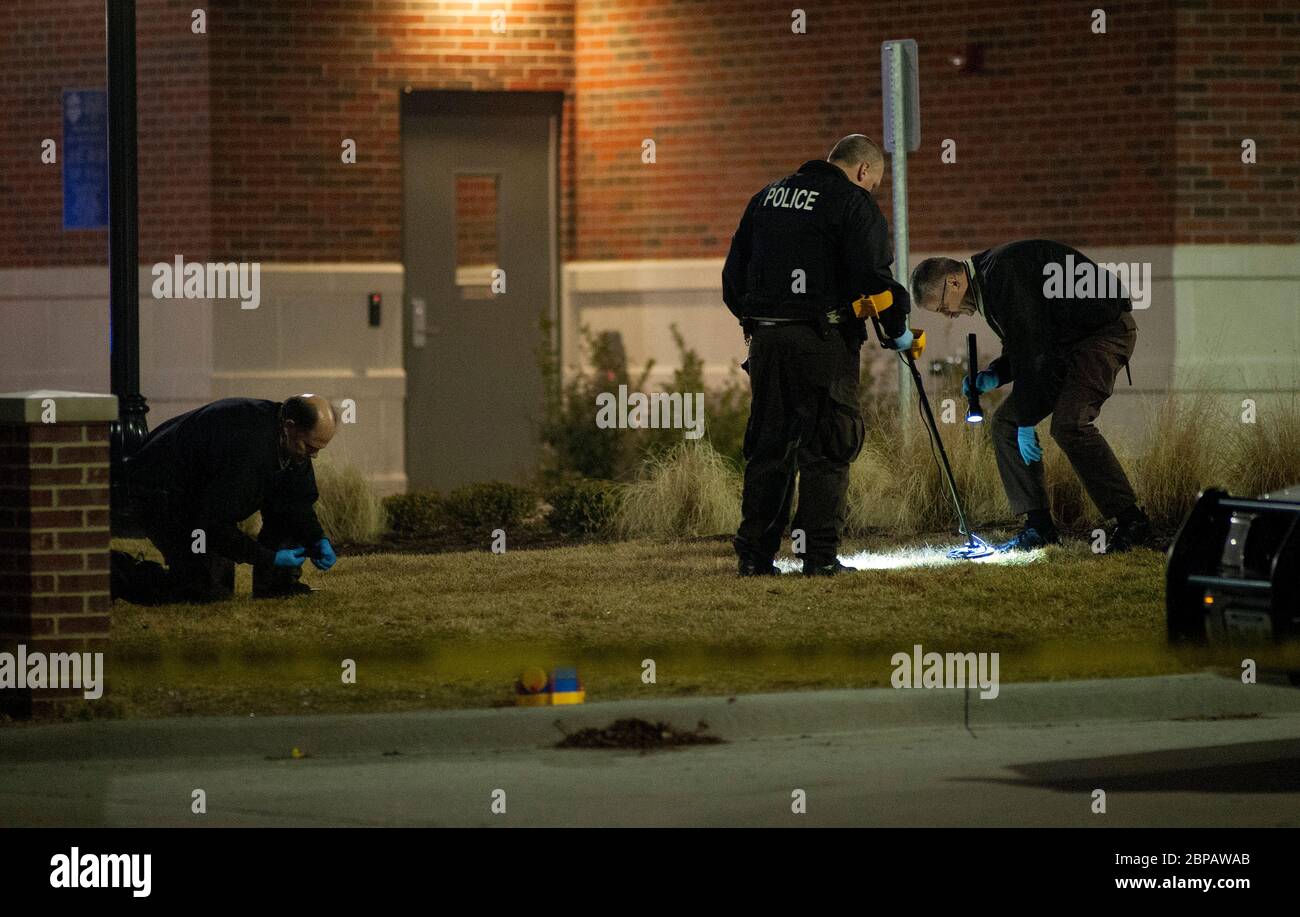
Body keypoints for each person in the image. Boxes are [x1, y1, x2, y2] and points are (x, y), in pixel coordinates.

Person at [723, 134, 913, 577]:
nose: (871, 191)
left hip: (767, 342)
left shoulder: (765, 198)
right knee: (828, 445)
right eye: (874, 183)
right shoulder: (853, 203)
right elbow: (873, 280)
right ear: (864, 171)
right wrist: (898, 332)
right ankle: (819, 557)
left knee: (770, 447)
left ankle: (755, 557)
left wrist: (755, 321)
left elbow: (733, 278)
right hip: (823, 341)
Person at [910, 240, 1152, 552]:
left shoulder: (1002, 274)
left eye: (943, 306)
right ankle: (1039, 528)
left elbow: (1036, 352)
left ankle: (1133, 522)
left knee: (1070, 424)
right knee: (1005, 425)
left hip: (1102, 335)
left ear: (954, 282)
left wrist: (1027, 419)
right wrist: (994, 375)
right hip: (1067, 344)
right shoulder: (991, 279)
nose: (948, 314)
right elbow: (1027, 346)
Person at [111, 394, 339, 603]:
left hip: (197, 496)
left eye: (319, 448)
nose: (315, 455)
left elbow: (295, 501)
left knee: (285, 513)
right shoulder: (249, 447)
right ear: (290, 427)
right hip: (160, 493)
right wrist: (269, 558)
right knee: (203, 588)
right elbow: (212, 524)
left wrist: (317, 539)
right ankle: (112, 572)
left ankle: (278, 585)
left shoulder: (288, 441)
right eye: (310, 446)